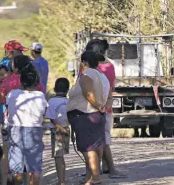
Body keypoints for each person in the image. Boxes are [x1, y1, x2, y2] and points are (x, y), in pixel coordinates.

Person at [0, 54, 45, 185]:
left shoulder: (12, 94)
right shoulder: (40, 96)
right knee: (34, 168)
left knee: (16, 167)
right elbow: (43, 114)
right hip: (34, 130)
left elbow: (4, 102)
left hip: (15, 130)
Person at [68, 51, 110, 185]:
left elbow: (88, 94)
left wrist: (97, 106)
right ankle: (92, 177)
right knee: (95, 146)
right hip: (95, 114)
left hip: (86, 115)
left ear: (84, 62)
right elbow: (109, 96)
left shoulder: (86, 75)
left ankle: (96, 178)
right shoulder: (101, 75)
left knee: (88, 148)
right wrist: (102, 107)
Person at [85, 39, 126, 178]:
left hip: (92, 108)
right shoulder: (110, 66)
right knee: (104, 139)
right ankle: (107, 168)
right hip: (106, 108)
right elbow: (111, 87)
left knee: (95, 142)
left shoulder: (89, 69)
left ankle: (95, 172)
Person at [0, 40, 28, 127]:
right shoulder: (5, 64)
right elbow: (0, 84)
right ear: (10, 52)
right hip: (7, 100)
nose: (22, 53)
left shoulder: (22, 61)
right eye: (19, 51)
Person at [45, 78, 70, 185]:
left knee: (58, 157)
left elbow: (51, 118)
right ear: (67, 90)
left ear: (54, 89)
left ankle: (61, 181)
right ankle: (62, 179)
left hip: (57, 131)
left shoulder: (51, 101)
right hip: (67, 129)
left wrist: (59, 127)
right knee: (61, 156)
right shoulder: (69, 102)